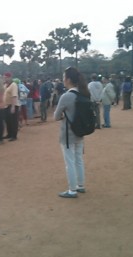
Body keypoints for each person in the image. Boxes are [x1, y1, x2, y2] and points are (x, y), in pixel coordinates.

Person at [55, 67, 90, 198]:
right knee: (79, 160)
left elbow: (56, 116)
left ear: (68, 79)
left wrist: (63, 115)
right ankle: (81, 185)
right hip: (80, 132)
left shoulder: (66, 96)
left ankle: (72, 190)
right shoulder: (84, 93)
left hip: (68, 134)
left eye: (64, 77)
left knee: (69, 162)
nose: (63, 80)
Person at [3, 73, 20, 141]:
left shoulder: (13, 85)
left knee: (13, 121)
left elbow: (14, 96)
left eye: (6, 77)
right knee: (8, 121)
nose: (5, 79)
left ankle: (14, 135)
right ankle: (9, 134)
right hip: (6, 105)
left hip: (13, 105)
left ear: (10, 77)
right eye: (4, 78)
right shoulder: (5, 85)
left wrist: (13, 106)